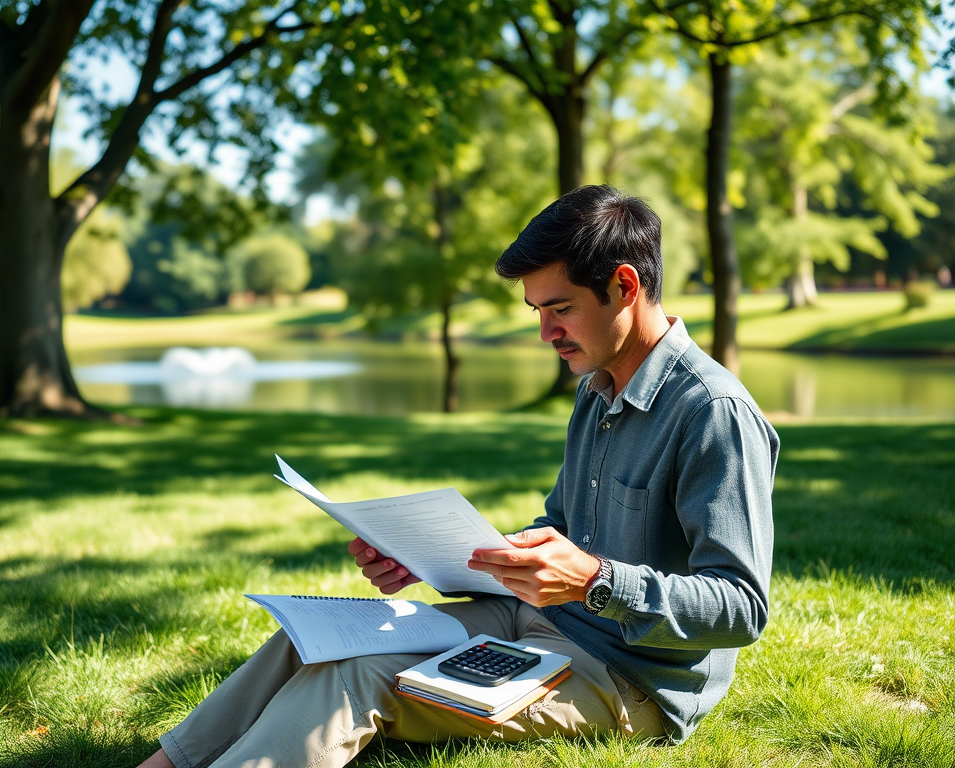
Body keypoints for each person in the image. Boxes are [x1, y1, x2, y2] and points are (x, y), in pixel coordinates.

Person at [135, 185, 779, 768]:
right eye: (536, 311)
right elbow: (558, 528)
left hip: (624, 678)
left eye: (561, 308)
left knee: (354, 679)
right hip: (531, 619)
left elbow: (742, 608)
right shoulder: (598, 387)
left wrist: (596, 582)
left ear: (626, 287)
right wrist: (436, 555)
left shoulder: (712, 413)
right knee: (312, 641)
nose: (546, 332)